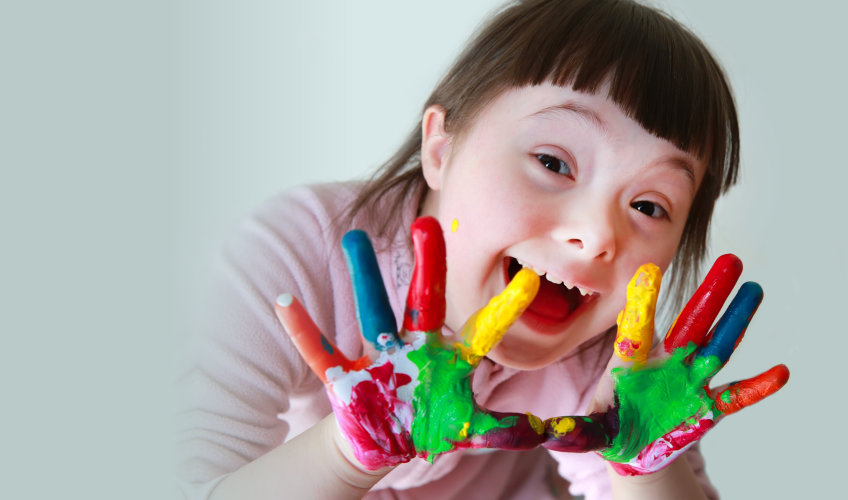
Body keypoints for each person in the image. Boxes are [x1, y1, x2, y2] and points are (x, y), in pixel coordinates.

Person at [180, 1, 781, 497]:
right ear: (440, 149)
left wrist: (640, 465)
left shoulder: (617, 363)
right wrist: (347, 453)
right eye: (553, 163)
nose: (599, 236)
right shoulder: (300, 250)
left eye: (649, 206)